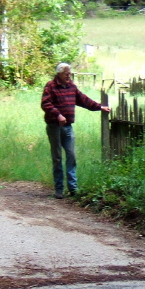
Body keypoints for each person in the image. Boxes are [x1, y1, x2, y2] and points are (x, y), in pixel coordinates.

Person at [40, 63, 110, 199]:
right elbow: (45, 103)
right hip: (54, 127)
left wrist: (100, 107)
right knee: (57, 157)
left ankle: (73, 188)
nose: (69, 76)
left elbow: (83, 100)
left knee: (71, 156)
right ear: (59, 74)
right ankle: (59, 189)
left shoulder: (71, 86)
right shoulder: (50, 86)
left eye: (70, 73)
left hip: (67, 127)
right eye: (66, 73)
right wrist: (57, 115)